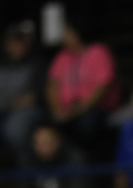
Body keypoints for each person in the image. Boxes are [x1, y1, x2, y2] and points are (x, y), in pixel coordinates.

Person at [46, 19, 117, 156]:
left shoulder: (98, 52)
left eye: (67, 32)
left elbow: (103, 85)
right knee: (47, 125)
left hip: (94, 107)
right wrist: (57, 110)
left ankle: (85, 163)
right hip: (68, 109)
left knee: (87, 125)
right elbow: (52, 85)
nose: (63, 36)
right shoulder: (62, 57)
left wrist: (82, 108)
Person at [0, 22, 44, 161]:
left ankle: (24, 165)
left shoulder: (37, 64)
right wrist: (2, 104)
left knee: (14, 127)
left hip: (26, 111)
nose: (16, 47)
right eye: (13, 42)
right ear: (6, 44)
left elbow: (31, 99)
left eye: (20, 43)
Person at [20, 125, 86, 188]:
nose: (44, 147)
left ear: (57, 141)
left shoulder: (73, 160)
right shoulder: (28, 162)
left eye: (47, 142)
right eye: (39, 143)